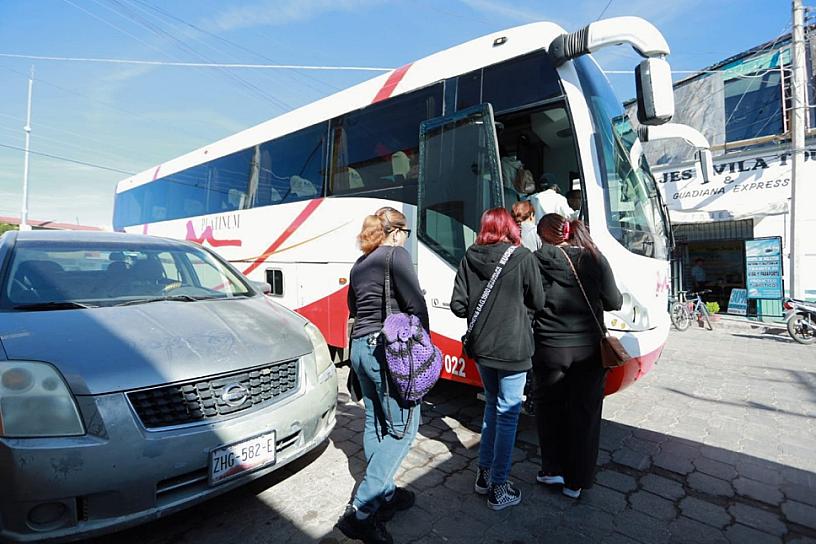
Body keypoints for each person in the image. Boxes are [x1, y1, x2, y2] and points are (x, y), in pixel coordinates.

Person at [338, 207, 428, 544]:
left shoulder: (360, 263)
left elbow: (354, 309)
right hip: (387, 352)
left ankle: (385, 494)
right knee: (404, 430)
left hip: (360, 349)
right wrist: (425, 353)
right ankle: (361, 512)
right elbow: (416, 305)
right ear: (396, 231)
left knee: (376, 422)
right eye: (406, 232)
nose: (407, 238)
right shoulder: (396, 255)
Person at [450, 208, 546, 510]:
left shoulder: (469, 257)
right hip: (513, 349)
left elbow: (458, 305)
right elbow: (539, 301)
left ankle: (484, 474)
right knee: (508, 415)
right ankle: (499, 486)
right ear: (510, 227)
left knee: (492, 406)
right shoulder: (523, 257)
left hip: (482, 349)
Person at [531, 214, 623, 500]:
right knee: (585, 414)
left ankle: (552, 469)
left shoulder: (535, 260)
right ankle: (577, 481)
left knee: (549, 410)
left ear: (544, 235)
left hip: (548, 348)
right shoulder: (595, 258)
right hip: (589, 350)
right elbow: (614, 301)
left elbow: (530, 301)